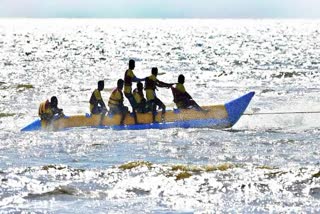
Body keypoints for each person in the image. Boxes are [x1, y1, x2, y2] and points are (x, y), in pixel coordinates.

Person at [124, 59, 144, 124]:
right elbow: (135, 79)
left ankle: (134, 118)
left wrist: (140, 80)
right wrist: (143, 79)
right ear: (131, 65)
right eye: (134, 65)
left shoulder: (128, 71)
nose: (134, 66)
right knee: (134, 106)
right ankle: (135, 121)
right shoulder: (129, 71)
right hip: (127, 92)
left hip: (127, 91)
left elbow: (133, 80)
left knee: (134, 105)